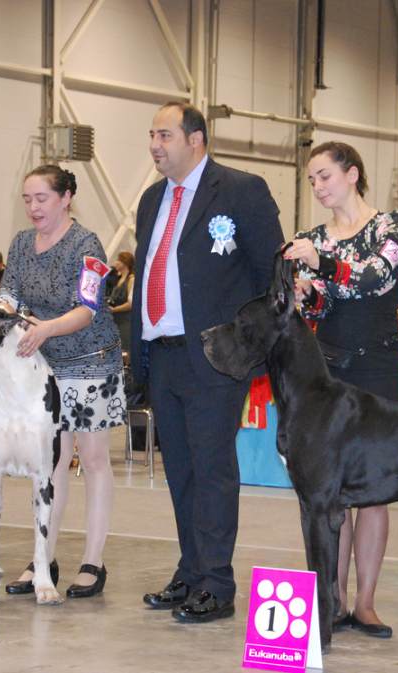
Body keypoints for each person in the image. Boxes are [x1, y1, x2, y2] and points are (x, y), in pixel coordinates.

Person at [133, 102, 283, 623]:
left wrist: (248, 347)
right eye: (152, 135)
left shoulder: (241, 190)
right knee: (180, 471)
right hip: (163, 354)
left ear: (195, 139)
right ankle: (192, 570)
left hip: (216, 358)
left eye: (165, 135)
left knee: (213, 469)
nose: (155, 145)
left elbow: (271, 276)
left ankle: (217, 583)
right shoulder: (152, 199)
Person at [285, 141, 398, 639]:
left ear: (352, 174)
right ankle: (330, 602)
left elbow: (376, 278)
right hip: (329, 373)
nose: (317, 187)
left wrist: (322, 264)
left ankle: (366, 603)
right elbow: (320, 307)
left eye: (324, 176)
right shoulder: (310, 238)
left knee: (375, 492)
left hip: (380, 369)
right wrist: (304, 294)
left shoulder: (390, 226)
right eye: (311, 180)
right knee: (328, 493)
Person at [0, 164, 126, 600]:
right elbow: (9, 293)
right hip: (44, 366)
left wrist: (45, 328)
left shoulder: (87, 245)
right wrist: (0, 313)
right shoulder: (21, 243)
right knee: (49, 463)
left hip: (90, 361)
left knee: (92, 459)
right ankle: (43, 557)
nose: (33, 207)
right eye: (27, 200)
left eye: (42, 198)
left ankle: (93, 561)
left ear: (66, 197)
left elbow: (88, 309)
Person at [108, 251, 134, 354]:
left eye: (118, 260)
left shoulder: (131, 279)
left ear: (125, 262)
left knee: (125, 351)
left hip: (125, 322)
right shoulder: (118, 279)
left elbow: (130, 304)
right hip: (116, 321)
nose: (116, 262)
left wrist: (114, 309)